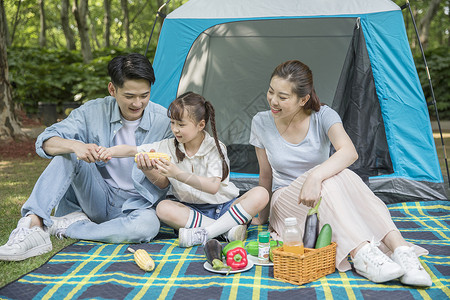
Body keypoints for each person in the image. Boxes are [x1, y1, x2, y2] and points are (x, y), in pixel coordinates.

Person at [249, 60, 432, 286]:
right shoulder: (260, 122)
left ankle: (401, 250)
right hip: (286, 199)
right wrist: (262, 217)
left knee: (339, 174)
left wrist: (315, 177)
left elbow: (349, 152)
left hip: (322, 192)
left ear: (303, 99)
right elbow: (265, 175)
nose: (273, 101)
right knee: (336, 175)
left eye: (283, 97)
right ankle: (362, 253)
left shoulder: (323, 115)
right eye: (271, 91)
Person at [0, 53, 173, 261]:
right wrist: (76, 145)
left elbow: (165, 184)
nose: (138, 103)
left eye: (144, 95)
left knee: (148, 226)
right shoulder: (93, 111)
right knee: (67, 154)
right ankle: (33, 224)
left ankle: (68, 227)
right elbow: (44, 141)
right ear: (112, 89)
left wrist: (149, 169)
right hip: (95, 196)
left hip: (137, 205)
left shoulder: (165, 122)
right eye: (129, 96)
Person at [97, 91, 269, 247]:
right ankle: (226, 231)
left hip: (225, 207)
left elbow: (213, 186)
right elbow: (131, 150)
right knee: (163, 208)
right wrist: (108, 151)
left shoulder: (215, 148)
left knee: (261, 193)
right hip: (192, 212)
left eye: (181, 124)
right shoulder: (168, 146)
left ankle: (207, 233)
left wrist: (177, 174)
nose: (175, 129)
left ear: (201, 125)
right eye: (172, 122)